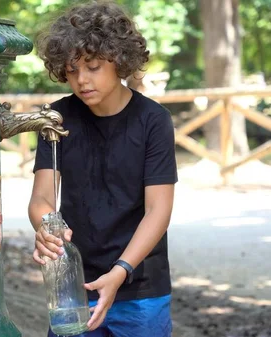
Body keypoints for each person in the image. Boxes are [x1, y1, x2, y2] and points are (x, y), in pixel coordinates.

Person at [28, 1, 178, 337]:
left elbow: (159, 209)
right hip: (74, 291)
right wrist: (46, 230)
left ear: (119, 60)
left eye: (92, 67)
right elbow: (41, 198)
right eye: (71, 70)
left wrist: (121, 270)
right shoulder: (56, 118)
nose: (81, 80)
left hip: (141, 290)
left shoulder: (153, 121)